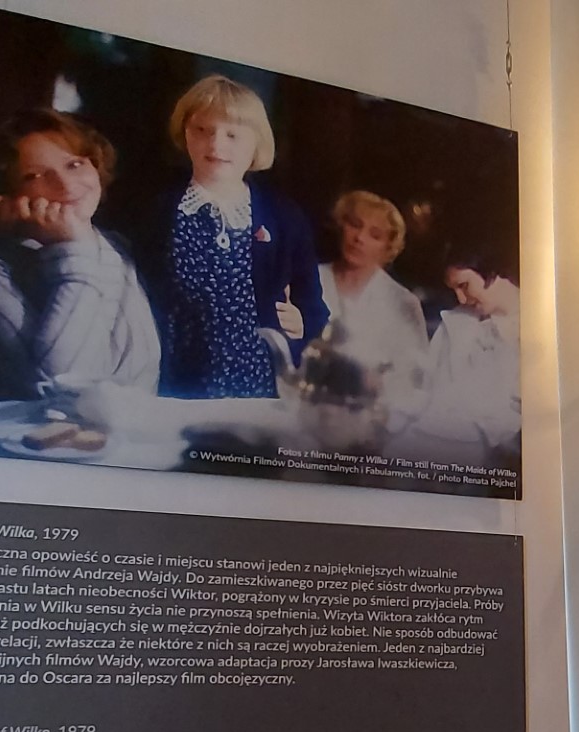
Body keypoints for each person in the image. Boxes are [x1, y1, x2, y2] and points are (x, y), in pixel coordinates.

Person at [0, 108, 160, 416]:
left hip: (127, 437)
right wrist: (72, 248)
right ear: (4, 196)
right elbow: (63, 386)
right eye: (34, 176)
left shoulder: (117, 248)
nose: (65, 185)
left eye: (74, 164)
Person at [142, 74, 327, 399]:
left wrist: (302, 324)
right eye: (202, 130)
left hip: (259, 390)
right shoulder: (157, 212)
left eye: (232, 135)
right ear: (184, 133)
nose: (216, 144)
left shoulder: (284, 217)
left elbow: (313, 307)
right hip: (176, 386)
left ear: (257, 143)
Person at [388, 252, 522, 465]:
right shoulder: (455, 322)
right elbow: (428, 388)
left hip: (487, 456)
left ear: (492, 272)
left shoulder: (532, 328)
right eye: (454, 290)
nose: (461, 298)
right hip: (430, 440)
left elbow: (516, 417)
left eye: (464, 285)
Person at [309, 190, 429, 408]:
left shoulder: (402, 302)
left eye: (375, 235)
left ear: (388, 247)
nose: (359, 238)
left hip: (369, 411)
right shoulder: (307, 279)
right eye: (354, 225)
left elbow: (414, 378)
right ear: (341, 226)